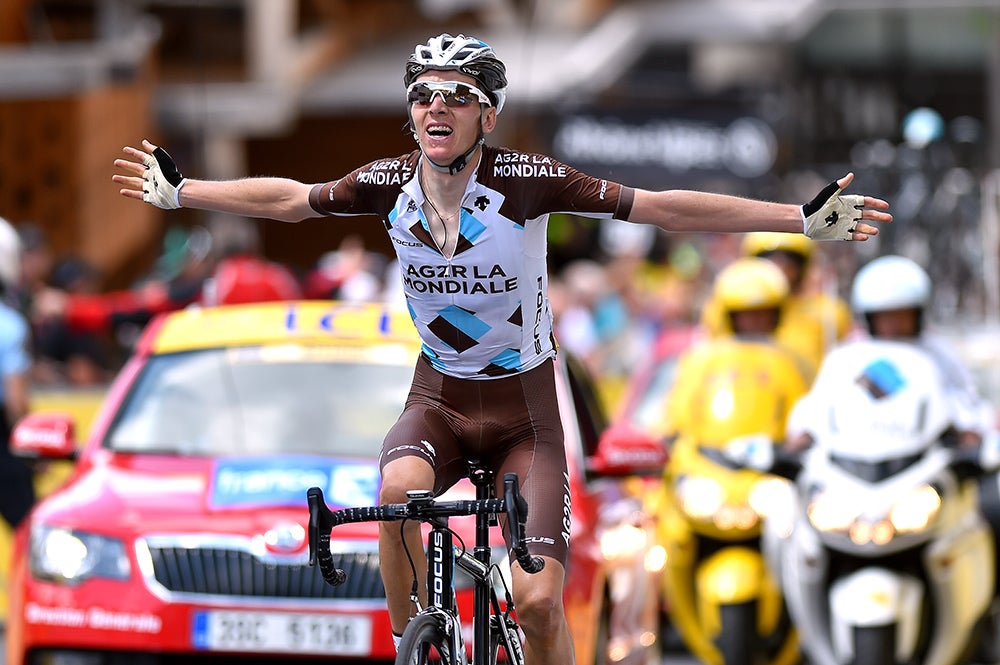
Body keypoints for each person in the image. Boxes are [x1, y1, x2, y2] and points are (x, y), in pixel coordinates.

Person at [110, 33, 891, 664]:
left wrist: (796, 218)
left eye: (459, 97)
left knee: (541, 600)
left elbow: (661, 207)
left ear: (488, 118)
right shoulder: (388, 181)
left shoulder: (528, 180)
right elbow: (289, 200)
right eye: (423, 95)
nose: (437, 107)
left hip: (525, 410)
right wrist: (186, 193)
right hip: (439, 396)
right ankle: (411, 645)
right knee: (394, 495)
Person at [663, 257, 811, 441]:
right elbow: (677, 413)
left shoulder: (789, 361)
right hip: (703, 457)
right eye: (746, 314)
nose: (756, 320)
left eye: (764, 312)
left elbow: (802, 417)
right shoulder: (701, 358)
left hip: (773, 460)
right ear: (729, 316)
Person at [700, 231, 851, 376]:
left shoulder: (828, 312)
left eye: (790, 258)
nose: (781, 265)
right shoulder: (725, 306)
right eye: (768, 257)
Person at [0, 216, 37, 530]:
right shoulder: (10, 324)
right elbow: (15, 402)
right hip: (4, 448)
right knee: (29, 531)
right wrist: (32, 454)